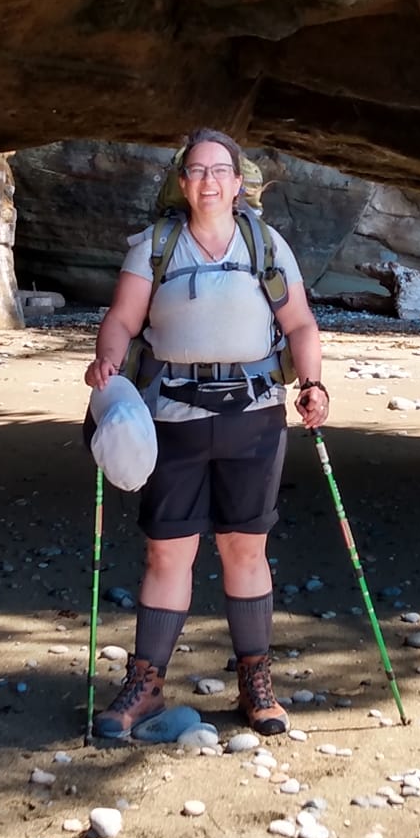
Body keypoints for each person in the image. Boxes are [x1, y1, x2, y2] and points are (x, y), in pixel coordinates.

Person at [83, 130, 328, 739]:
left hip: (254, 417)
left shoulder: (267, 244)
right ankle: (145, 687)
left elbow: (299, 323)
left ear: (239, 182)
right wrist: (107, 363)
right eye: (197, 171)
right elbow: (121, 319)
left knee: (245, 548)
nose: (209, 181)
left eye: (221, 170)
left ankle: (256, 684)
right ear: (182, 182)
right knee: (168, 551)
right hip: (171, 417)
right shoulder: (155, 247)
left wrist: (314, 384)